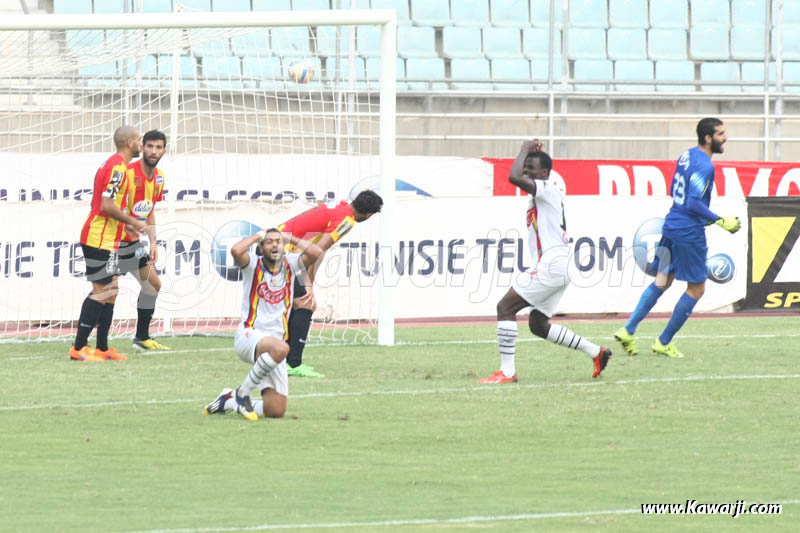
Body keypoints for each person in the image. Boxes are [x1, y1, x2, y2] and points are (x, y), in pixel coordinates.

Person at [479, 139, 612, 384]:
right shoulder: (540, 197)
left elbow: (513, 177)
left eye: (531, 167)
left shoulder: (548, 190)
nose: (526, 171)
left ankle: (507, 372)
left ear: (545, 173)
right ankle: (597, 352)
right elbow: (518, 177)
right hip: (557, 265)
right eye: (525, 166)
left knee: (504, 308)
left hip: (552, 265)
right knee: (538, 325)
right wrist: (528, 155)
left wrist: (523, 149)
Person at [614, 118, 741, 358]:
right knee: (697, 288)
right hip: (688, 232)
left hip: (672, 224)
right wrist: (720, 220)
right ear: (707, 138)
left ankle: (628, 329)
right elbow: (693, 201)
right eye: (721, 134)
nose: (726, 138)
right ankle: (663, 342)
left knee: (662, 281)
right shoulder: (705, 166)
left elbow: (675, 190)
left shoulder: (686, 155)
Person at [203, 228, 323, 420]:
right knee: (283, 349)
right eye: (269, 242)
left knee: (275, 411)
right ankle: (243, 394)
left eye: (278, 241)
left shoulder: (291, 263)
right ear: (261, 247)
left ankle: (229, 400)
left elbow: (316, 252)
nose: (275, 244)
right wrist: (258, 236)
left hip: (275, 345)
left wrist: (290, 237)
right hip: (250, 335)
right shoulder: (252, 265)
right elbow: (235, 251)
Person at [277, 190, 384, 378]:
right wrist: (309, 284)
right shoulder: (347, 221)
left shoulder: (341, 206)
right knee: (305, 303)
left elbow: (316, 249)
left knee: (298, 304)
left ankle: (287, 361)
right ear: (369, 214)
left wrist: (308, 282)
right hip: (281, 253)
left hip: (278, 247)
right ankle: (291, 363)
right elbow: (317, 250)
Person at [69, 125, 146, 362]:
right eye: (140, 140)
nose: (141, 145)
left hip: (109, 238)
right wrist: (133, 220)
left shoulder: (115, 165)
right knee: (102, 292)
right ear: (130, 143)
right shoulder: (117, 168)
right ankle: (78, 347)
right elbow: (106, 205)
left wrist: (127, 226)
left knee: (111, 290)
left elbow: (112, 205)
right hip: (98, 237)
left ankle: (102, 348)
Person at [117, 129, 170, 351]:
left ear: (164, 151)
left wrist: (153, 241)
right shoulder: (128, 173)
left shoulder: (159, 177)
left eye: (158, 147)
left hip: (132, 243)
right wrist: (127, 222)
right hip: (113, 240)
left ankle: (141, 338)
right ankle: (83, 341)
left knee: (153, 284)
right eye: (149, 146)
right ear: (142, 147)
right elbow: (112, 204)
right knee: (103, 291)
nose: (153, 151)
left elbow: (149, 210)